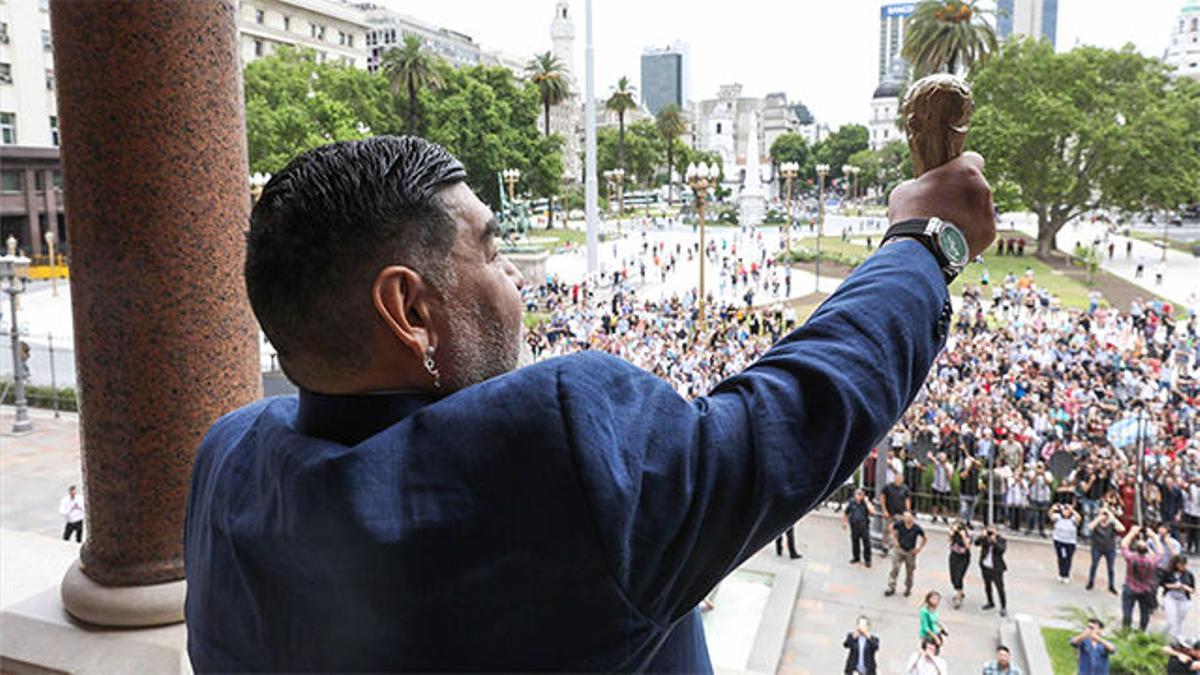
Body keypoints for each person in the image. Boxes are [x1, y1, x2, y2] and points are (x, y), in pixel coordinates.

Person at [182, 137, 996, 670]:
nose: (517, 285)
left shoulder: (226, 460)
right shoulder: (549, 450)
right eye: (494, 251)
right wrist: (928, 243)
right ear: (412, 310)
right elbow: (799, 410)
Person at [1120, 524, 1163, 631]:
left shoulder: (1131, 558)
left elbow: (1123, 545)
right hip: (1146, 590)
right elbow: (1160, 552)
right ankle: (1141, 631)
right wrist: (1153, 536)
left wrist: (1132, 532)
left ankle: (1125, 630)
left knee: (1127, 612)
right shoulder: (1151, 561)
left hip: (1130, 587)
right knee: (1145, 614)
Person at [886, 511, 928, 598]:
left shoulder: (916, 528)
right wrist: (894, 539)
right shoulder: (900, 524)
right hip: (899, 549)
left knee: (910, 571)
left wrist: (919, 548)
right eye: (905, 517)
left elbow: (925, 538)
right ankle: (891, 586)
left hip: (910, 551)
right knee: (895, 568)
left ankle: (908, 588)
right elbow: (891, 527)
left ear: (912, 518)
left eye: (908, 518)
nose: (906, 519)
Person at [1085, 508, 1125, 594]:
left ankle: (1111, 585)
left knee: (1111, 568)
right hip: (1097, 548)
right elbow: (1090, 527)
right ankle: (1091, 582)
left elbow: (1122, 529)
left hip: (1110, 549)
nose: (1104, 516)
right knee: (1094, 565)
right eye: (1102, 514)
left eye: (1105, 514)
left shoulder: (1112, 524)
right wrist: (1098, 519)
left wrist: (1112, 518)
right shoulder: (1096, 523)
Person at [1161, 554, 1195, 642]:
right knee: (1170, 620)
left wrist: (1185, 587)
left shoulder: (1189, 574)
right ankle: (1162, 635)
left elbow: (1192, 589)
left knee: (1180, 620)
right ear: (1176, 564)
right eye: (1181, 564)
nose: (1183, 567)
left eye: (1184, 564)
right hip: (1171, 597)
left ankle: (1178, 637)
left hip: (1184, 599)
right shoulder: (1168, 572)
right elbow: (1163, 584)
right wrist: (1174, 586)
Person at [976, 524, 1008, 617]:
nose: (990, 532)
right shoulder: (985, 538)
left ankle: (1003, 607)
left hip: (996, 568)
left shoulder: (1001, 540)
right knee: (987, 585)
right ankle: (990, 602)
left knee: (1000, 588)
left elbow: (1001, 550)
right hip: (985, 566)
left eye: (993, 530)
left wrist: (994, 542)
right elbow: (976, 543)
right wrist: (981, 536)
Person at [1051, 502, 1082, 584]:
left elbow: (1079, 518)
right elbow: (1051, 516)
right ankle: (1061, 573)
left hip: (1070, 542)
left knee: (1068, 558)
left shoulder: (1073, 519)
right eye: (1065, 510)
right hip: (1059, 540)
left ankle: (1066, 574)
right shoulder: (1058, 517)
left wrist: (1072, 510)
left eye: (1068, 511)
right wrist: (1053, 509)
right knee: (1061, 557)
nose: (1066, 512)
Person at [845, 488, 876, 567]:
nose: (859, 496)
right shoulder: (852, 502)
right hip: (854, 525)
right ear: (855, 495)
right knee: (855, 542)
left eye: (860, 494)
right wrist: (844, 522)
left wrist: (867, 501)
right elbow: (846, 512)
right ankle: (856, 557)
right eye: (857, 494)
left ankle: (868, 560)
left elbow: (873, 512)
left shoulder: (865, 503)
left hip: (864, 526)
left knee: (867, 543)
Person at [882, 472, 913, 552]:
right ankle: (885, 546)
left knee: (900, 530)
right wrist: (884, 510)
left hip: (901, 513)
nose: (898, 481)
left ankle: (897, 545)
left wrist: (908, 512)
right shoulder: (888, 487)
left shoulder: (905, 488)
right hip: (890, 512)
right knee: (887, 529)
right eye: (897, 479)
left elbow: (907, 500)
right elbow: (882, 498)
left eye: (900, 479)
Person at [948, 520, 971, 609]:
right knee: (953, 577)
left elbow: (968, 546)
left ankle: (958, 596)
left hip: (963, 558)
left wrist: (963, 536)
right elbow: (949, 540)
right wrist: (952, 533)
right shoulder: (954, 534)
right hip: (954, 556)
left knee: (959, 576)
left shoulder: (967, 535)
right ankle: (960, 591)